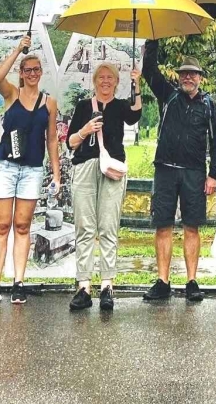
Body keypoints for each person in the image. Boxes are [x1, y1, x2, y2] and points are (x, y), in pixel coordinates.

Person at [140, 41, 216, 303]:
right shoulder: (169, 94)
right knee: (163, 225)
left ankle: (191, 281)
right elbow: (149, 69)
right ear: (179, 76)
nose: (188, 77)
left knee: (192, 227)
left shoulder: (209, 105)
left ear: (200, 78)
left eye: (193, 73)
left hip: (194, 173)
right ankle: (163, 281)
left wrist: (214, 174)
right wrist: (153, 40)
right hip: (165, 169)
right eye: (184, 73)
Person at [0, 36, 61, 307]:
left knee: (22, 225)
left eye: (36, 70)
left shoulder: (49, 103)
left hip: (32, 168)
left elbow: (52, 139)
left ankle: (18, 282)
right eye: (28, 70)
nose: (32, 74)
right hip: (5, 165)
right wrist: (18, 49)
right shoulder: (11, 94)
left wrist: (57, 173)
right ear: (22, 73)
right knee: (2, 224)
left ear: (41, 73)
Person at [66, 61, 143, 311]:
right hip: (85, 168)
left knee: (108, 226)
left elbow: (135, 115)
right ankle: (84, 286)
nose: (106, 81)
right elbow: (70, 143)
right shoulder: (82, 107)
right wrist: (86, 129)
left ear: (116, 82)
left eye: (111, 78)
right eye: (102, 77)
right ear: (95, 81)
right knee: (85, 228)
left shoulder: (120, 106)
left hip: (111, 168)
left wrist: (137, 84)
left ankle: (108, 285)